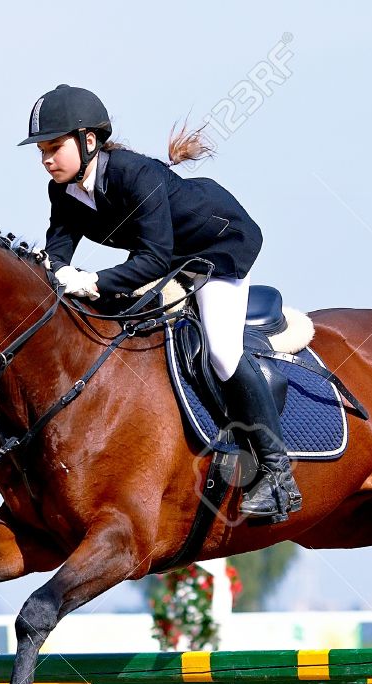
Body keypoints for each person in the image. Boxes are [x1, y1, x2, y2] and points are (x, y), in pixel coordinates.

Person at [18, 84, 302, 522]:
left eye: (54, 147)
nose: (46, 159)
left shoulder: (136, 176)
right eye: (41, 151)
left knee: (222, 353)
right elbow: (58, 254)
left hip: (217, 248)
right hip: (168, 258)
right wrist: (45, 275)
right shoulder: (63, 193)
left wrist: (92, 280)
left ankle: (277, 474)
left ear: (88, 140)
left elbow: (150, 257)